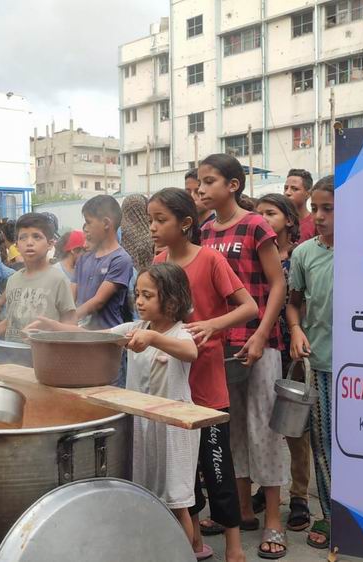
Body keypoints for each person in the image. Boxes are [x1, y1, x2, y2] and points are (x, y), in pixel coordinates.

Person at [29, 263, 201, 547]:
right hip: (141, 426)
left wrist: (154, 338)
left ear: (171, 300)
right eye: (138, 294)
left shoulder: (179, 333)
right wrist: (52, 326)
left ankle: (183, 553)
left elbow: (191, 352)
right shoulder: (134, 328)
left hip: (173, 431)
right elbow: (92, 336)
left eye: (148, 295)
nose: (140, 301)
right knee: (146, 496)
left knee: (175, 503)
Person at [149, 187, 258, 562]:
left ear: (186, 223)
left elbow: (248, 307)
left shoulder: (210, 260)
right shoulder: (158, 260)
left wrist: (212, 325)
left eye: (160, 220)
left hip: (206, 379)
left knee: (216, 465)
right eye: (150, 219)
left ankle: (233, 545)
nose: (152, 227)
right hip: (170, 380)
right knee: (181, 466)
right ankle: (193, 542)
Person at [197, 154, 289, 559]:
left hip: (259, 343)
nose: (201, 188)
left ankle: (273, 519)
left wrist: (263, 334)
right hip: (220, 346)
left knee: (264, 429)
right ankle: (241, 511)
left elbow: (277, 284)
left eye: (210, 180)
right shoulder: (204, 231)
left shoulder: (255, 225)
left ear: (233, 185)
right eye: (199, 181)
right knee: (229, 430)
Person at [255, 193, 312, 534]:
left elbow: (301, 303)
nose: (262, 218)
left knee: (295, 427)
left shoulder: (300, 258)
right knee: (263, 423)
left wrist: (296, 332)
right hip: (262, 348)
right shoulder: (257, 254)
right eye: (258, 213)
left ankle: (300, 494)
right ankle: (266, 486)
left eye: (270, 213)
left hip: (293, 348)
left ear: (289, 220)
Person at [286, 175, 335, 549]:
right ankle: (331, 516)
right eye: (315, 209)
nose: (318, 216)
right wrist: (296, 329)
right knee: (323, 444)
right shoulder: (304, 254)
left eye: (328, 209)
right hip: (321, 362)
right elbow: (294, 301)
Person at [0, 213, 75, 369]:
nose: (29, 243)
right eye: (23, 238)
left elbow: (70, 325)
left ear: (50, 244)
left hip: (46, 360)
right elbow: (13, 318)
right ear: (16, 245)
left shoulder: (58, 280)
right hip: (13, 359)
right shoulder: (13, 280)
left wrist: (51, 329)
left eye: (37, 237)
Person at [73, 195, 134, 386]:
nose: (86, 229)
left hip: (107, 343)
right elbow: (71, 293)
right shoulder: (84, 258)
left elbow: (99, 301)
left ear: (106, 223)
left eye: (89, 222)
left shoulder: (120, 259)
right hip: (82, 339)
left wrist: (68, 318)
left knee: (109, 393)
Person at [282, 169, 314, 245]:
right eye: (286, 188)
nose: (287, 193)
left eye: (295, 189)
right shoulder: (279, 221)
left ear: (308, 193)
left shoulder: (316, 223)